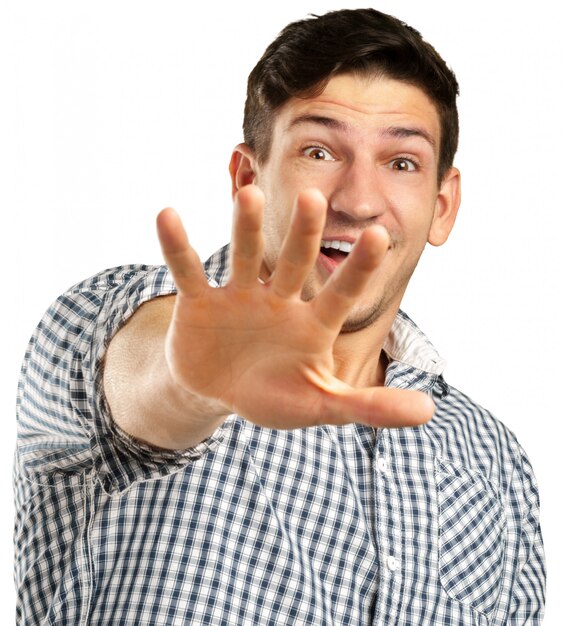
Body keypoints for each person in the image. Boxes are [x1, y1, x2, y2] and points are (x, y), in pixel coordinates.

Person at [14, 7, 545, 625]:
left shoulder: (495, 465)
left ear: (443, 205)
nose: (359, 200)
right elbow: (133, 382)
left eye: (401, 162)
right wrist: (189, 386)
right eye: (319, 151)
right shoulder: (108, 326)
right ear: (248, 178)